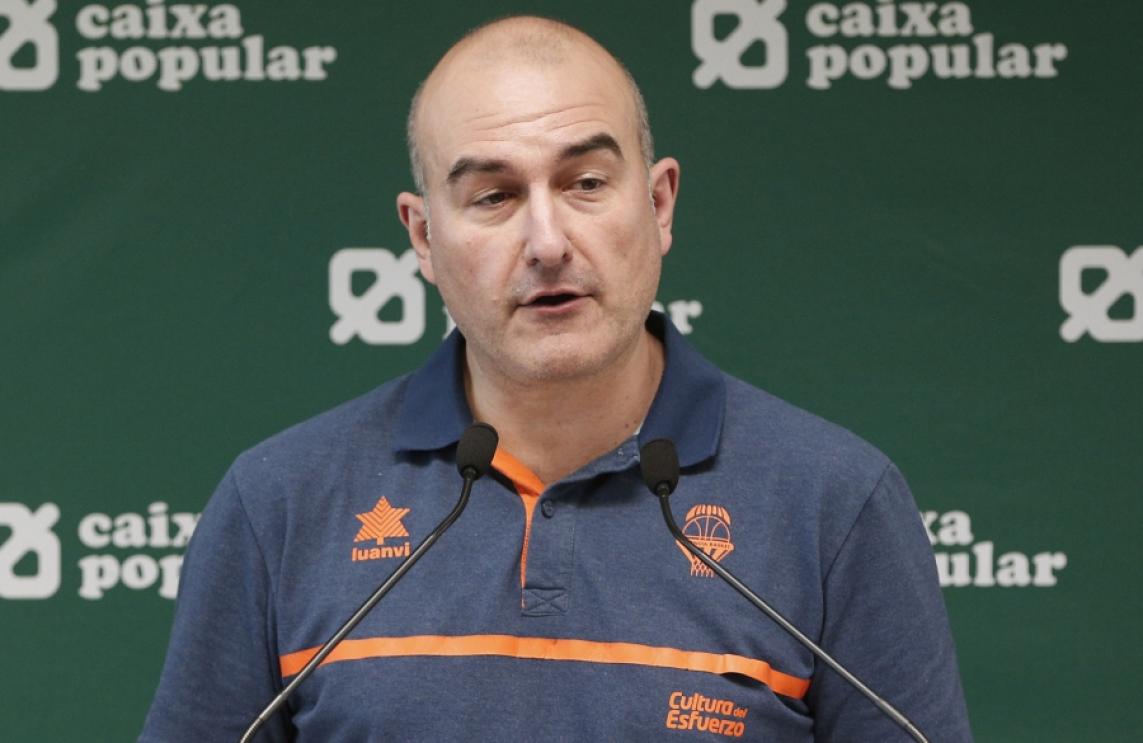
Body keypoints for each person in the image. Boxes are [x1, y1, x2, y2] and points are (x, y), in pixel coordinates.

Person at [141, 16, 971, 741]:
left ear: (659, 203)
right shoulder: (278, 503)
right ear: (423, 237)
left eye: (585, 183)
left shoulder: (834, 502)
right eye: (493, 197)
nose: (546, 242)